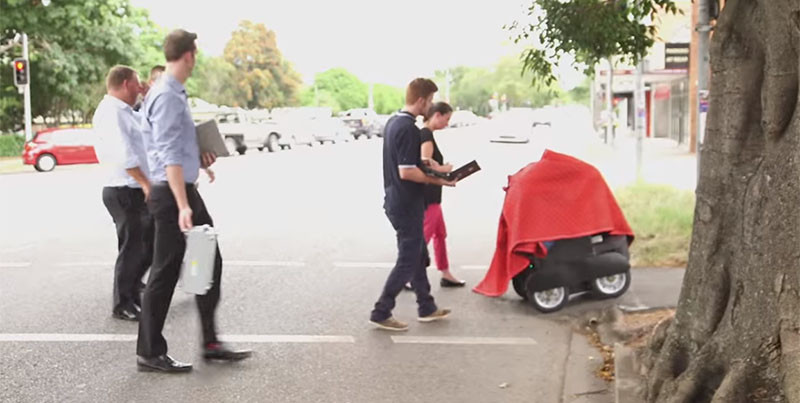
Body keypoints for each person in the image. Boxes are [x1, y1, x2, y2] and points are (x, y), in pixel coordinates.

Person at [136, 29, 251, 373]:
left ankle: (211, 342)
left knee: (206, 262)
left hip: (182, 189)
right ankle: (149, 352)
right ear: (189, 55)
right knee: (165, 271)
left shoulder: (172, 92)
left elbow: (172, 147)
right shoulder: (168, 96)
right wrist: (183, 202)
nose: (196, 59)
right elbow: (168, 154)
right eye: (196, 54)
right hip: (172, 196)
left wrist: (198, 159)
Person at [369, 78, 456, 332]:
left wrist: (425, 167)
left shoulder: (394, 122)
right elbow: (406, 172)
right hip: (406, 202)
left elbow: (406, 164)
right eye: (429, 101)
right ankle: (381, 311)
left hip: (398, 199)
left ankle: (426, 306)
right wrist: (437, 179)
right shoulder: (408, 128)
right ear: (422, 100)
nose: (430, 106)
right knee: (408, 259)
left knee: (419, 255)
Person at [93, 65, 152, 321]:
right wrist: (146, 183)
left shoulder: (126, 111)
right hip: (124, 188)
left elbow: (148, 130)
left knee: (146, 243)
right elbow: (123, 152)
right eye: (137, 84)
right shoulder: (111, 112)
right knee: (133, 247)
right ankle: (123, 303)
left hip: (133, 187)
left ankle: (133, 286)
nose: (140, 89)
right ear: (126, 83)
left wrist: (148, 99)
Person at [420, 102, 465, 287]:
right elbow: (426, 166)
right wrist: (446, 169)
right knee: (425, 237)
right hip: (428, 196)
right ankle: (408, 275)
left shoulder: (427, 134)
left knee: (440, 234)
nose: (447, 124)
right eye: (446, 119)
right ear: (437, 115)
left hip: (434, 195)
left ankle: (445, 272)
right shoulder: (425, 135)